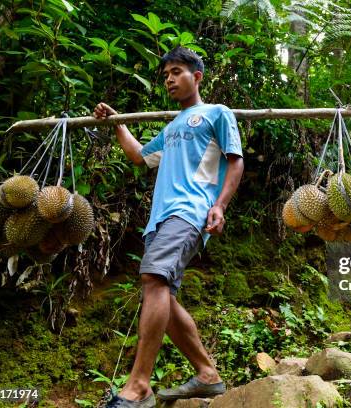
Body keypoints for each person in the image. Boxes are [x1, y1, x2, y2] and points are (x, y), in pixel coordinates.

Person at [94, 46, 244, 408]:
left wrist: (219, 206)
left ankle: (138, 386)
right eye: (165, 75)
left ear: (197, 77)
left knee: (153, 280)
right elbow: (140, 157)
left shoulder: (216, 114)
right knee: (162, 291)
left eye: (176, 72)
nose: (169, 79)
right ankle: (207, 374)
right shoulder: (172, 127)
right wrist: (118, 124)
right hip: (160, 218)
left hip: (190, 210)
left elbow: (235, 162)